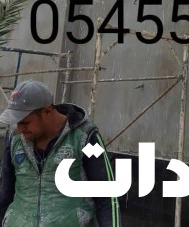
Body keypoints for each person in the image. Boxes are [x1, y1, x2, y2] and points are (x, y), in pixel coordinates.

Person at [0, 79, 121, 226]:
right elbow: (4, 193)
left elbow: (107, 197)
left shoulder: (86, 138)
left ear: (47, 111)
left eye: (25, 122)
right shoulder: (15, 140)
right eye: (16, 123)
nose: (20, 129)